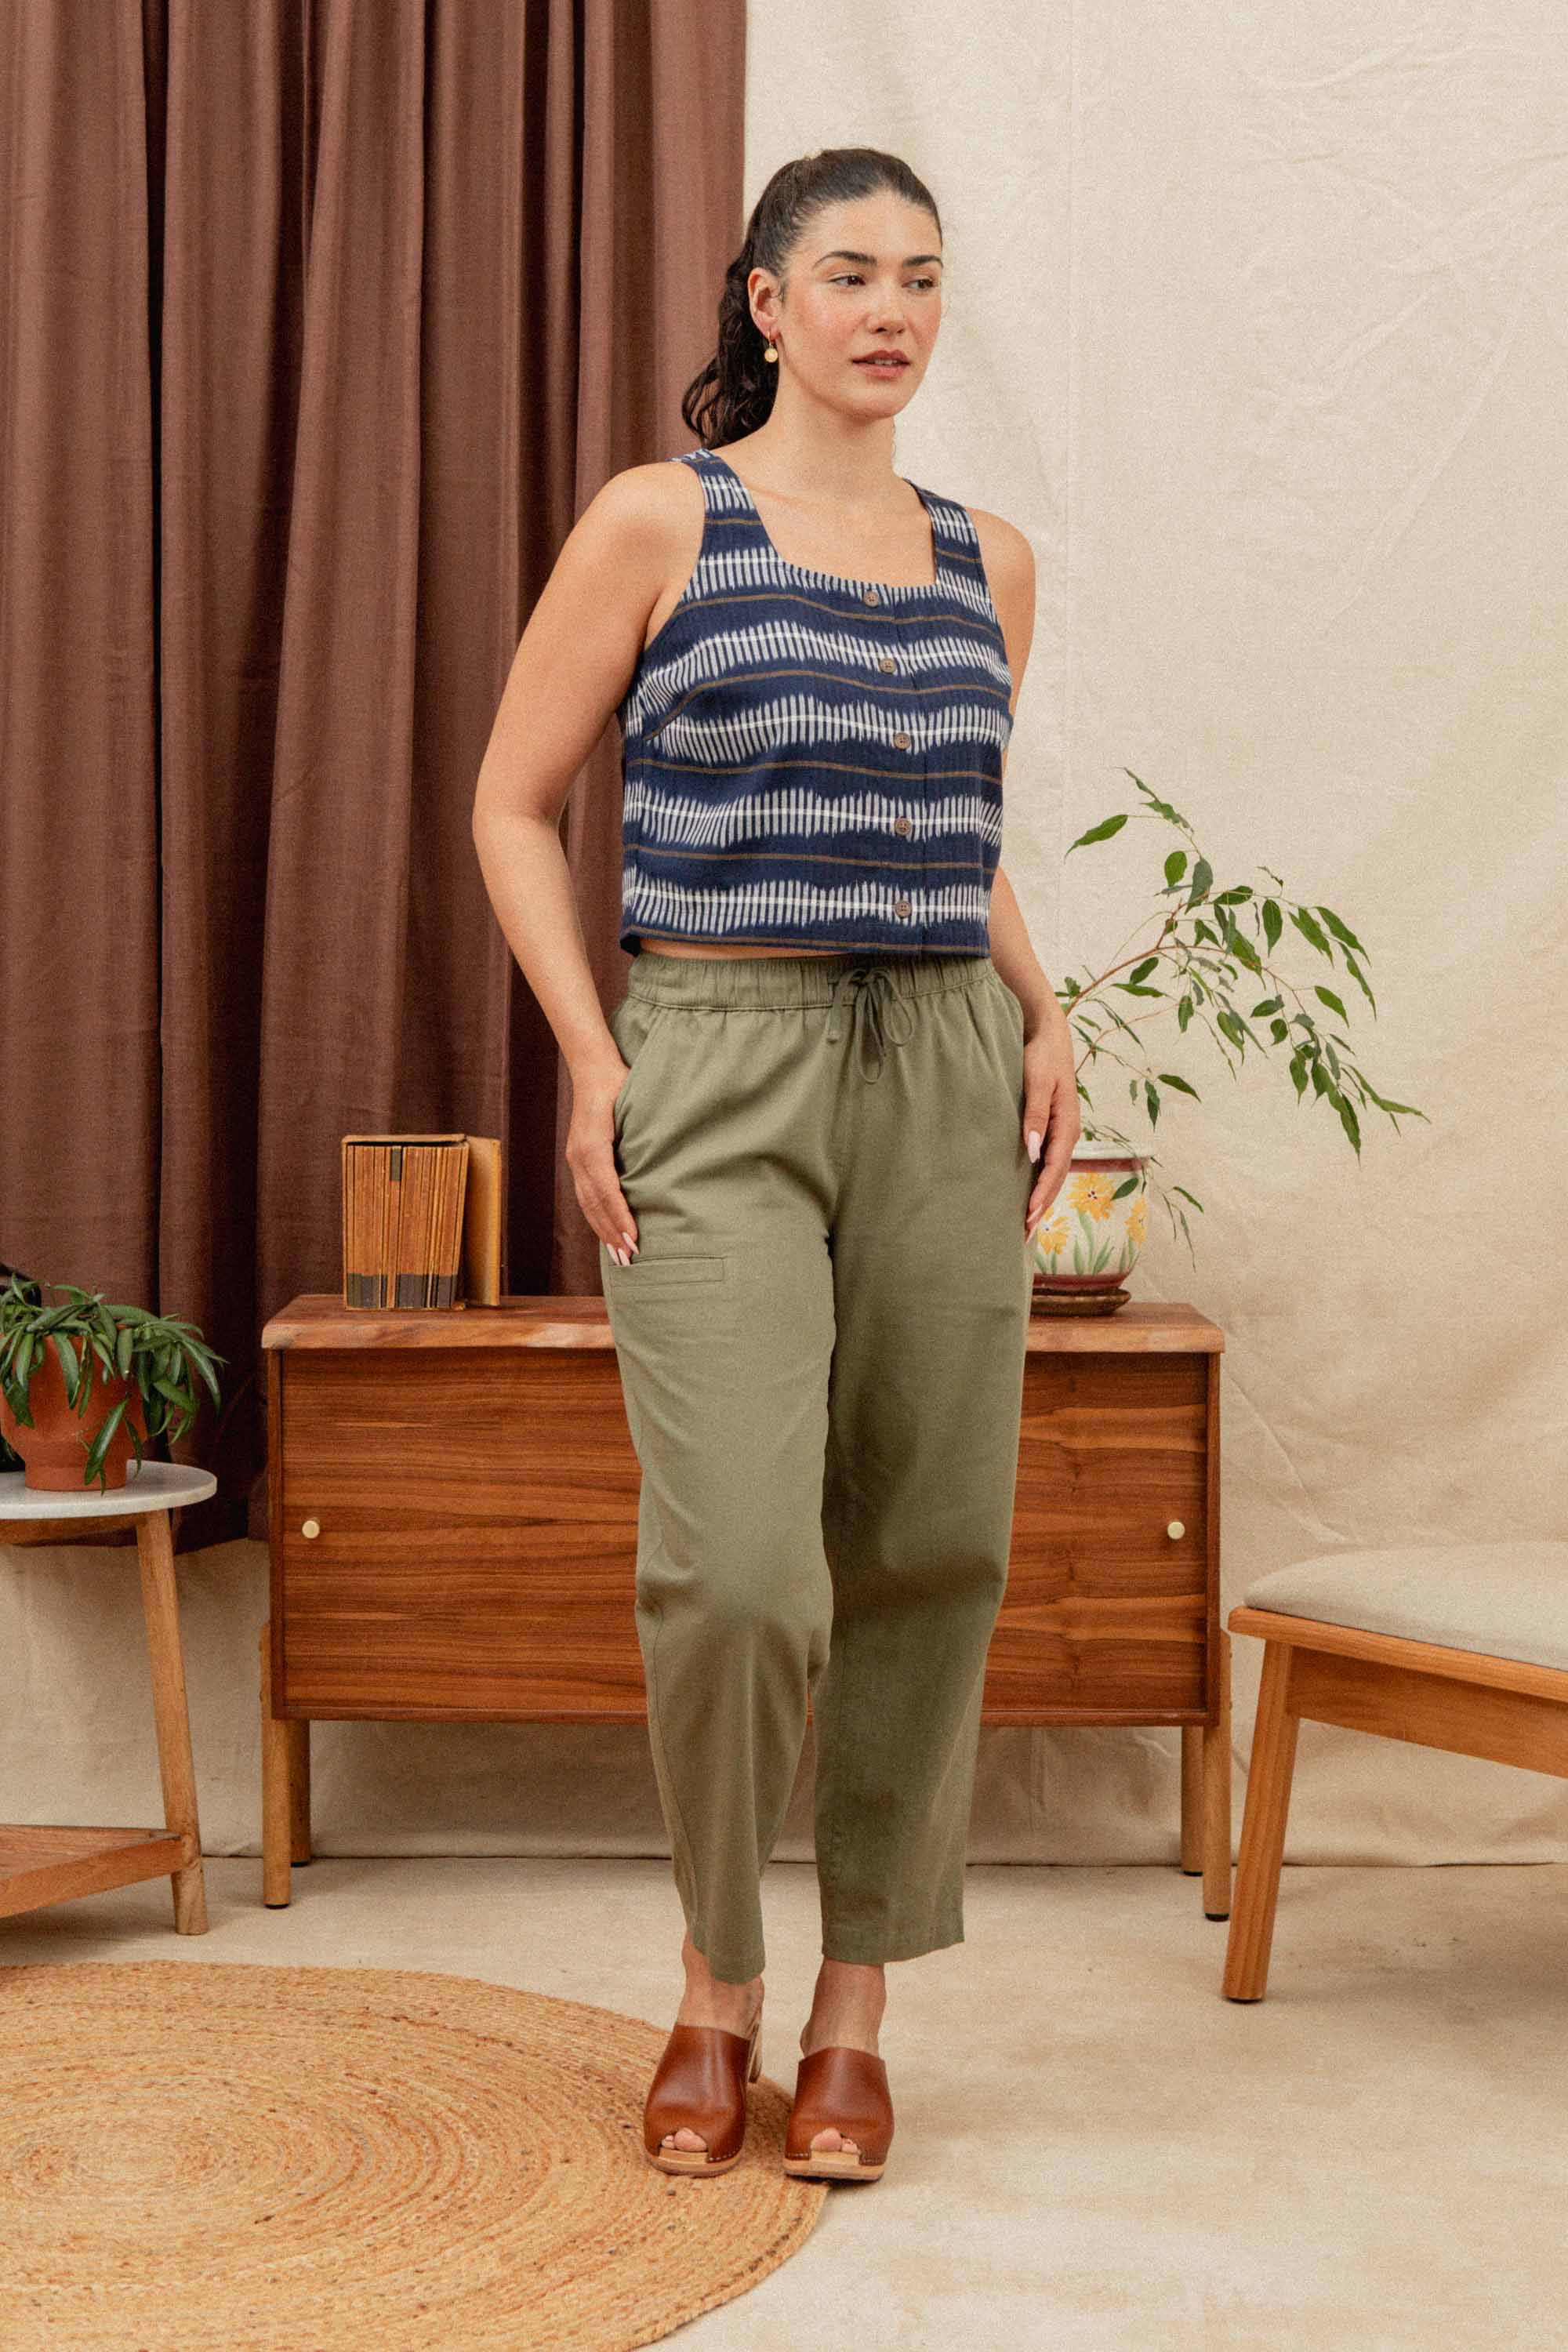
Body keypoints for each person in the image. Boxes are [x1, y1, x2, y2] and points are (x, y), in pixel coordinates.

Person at [472, 144, 1080, 2184]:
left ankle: (852, 2014)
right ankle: (715, 1981)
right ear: (766, 301)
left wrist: (1044, 1007)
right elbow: (510, 803)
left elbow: (949, 824)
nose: (891, 310)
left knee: (929, 1543)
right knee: (737, 1566)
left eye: (922, 275)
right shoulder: (661, 521)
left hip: (941, 1059)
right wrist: (591, 1057)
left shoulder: (989, 559)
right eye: (849, 274)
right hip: (715, 1061)